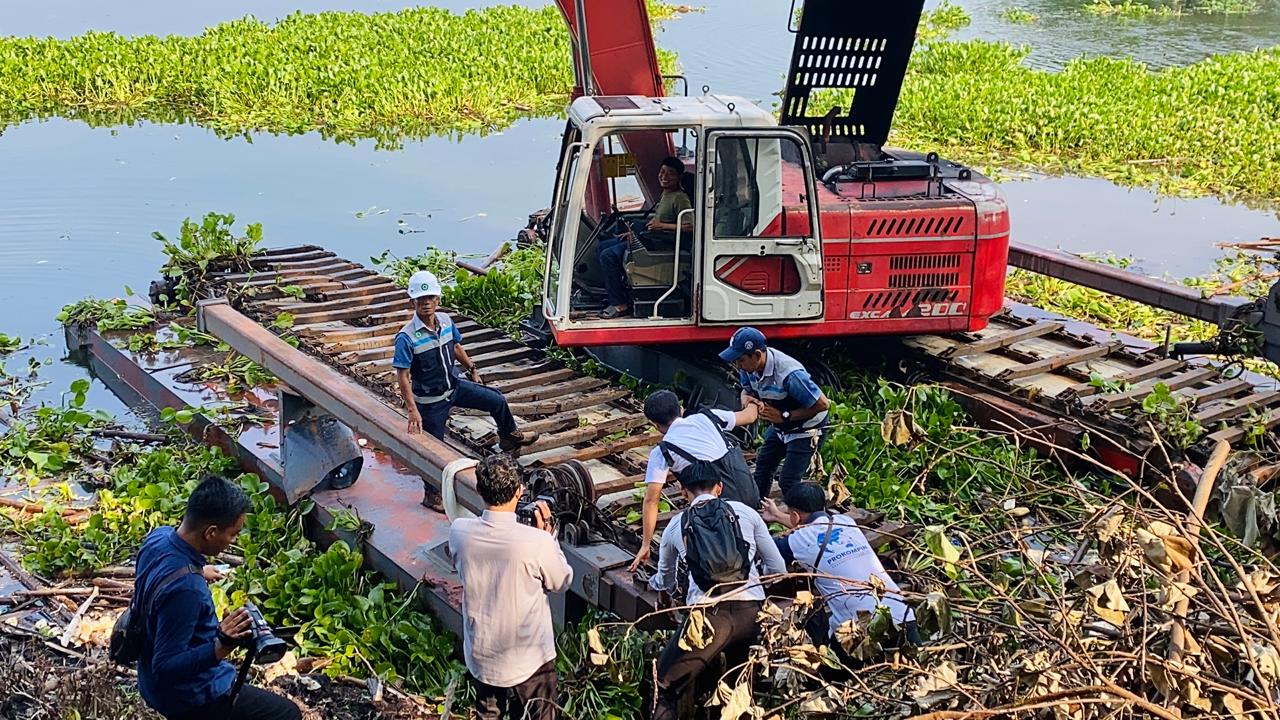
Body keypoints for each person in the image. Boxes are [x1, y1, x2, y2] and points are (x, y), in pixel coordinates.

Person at [135, 475, 300, 720]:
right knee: (287, 714)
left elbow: (162, 573)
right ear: (211, 532)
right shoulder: (187, 591)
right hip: (186, 697)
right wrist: (221, 646)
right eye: (233, 534)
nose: (234, 541)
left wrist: (198, 570)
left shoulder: (158, 538)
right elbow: (165, 668)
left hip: (146, 678)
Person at [647, 471, 787, 720]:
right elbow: (778, 568)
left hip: (708, 618)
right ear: (719, 488)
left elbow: (666, 579)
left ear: (683, 492)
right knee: (739, 693)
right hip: (751, 616)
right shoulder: (747, 513)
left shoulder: (676, 525)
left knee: (666, 687)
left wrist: (663, 595)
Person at [449, 454, 573, 720]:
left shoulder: (459, 532)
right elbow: (561, 581)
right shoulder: (537, 542)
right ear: (519, 491)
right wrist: (550, 537)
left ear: (479, 490)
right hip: (530, 660)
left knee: (488, 714)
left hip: (483, 655)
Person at [762, 484, 918, 656]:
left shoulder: (797, 541)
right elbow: (807, 527)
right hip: (903, 617)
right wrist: (777, 515)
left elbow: (766, 548)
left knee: (829, 671)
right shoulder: (847, 522)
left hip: (859, 631)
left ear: (795, 516)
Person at [393, 270, 538, 452]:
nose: (426, 302)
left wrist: (472, 369)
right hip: (430, 401)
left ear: (438, 299)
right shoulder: (406, 337)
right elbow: (403, 376)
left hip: (455, 387)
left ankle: (509, 437)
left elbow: (455, 347)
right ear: (412, 302)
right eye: (421, 298)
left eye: (430, 297)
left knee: (497, 400)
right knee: (434, 449)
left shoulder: (445, 320)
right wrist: (412, 410)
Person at [629, 390, 761, 572]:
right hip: (751, 495)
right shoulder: (708, 416)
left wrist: (646, 544)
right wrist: (751, 399)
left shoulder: (663, 452)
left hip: (719, 515)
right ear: (681, 409)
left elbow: (652, 501)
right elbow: (750, 416)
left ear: (655, 425)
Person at [719, 327, 830, 500]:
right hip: (780, 427)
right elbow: (746, 390)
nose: (738, 366)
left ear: (757, 355)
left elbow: (823, 404)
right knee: (763, 467)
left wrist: (784, 416)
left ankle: (799, 513)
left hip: (807, 428)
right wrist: (746, 399)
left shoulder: (790, 375)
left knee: (789, 481)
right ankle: (757, 508)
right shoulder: (748, 369)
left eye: (740, 360)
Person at [596, 156, 694, 319]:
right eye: (662, 172)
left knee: (608, 255)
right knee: (602, 246)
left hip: (662, 244)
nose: (664, 176)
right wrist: (633, 234)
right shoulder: (666, 194)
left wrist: (663, 226)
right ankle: (615, 292)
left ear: (679, 177)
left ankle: (619, 304)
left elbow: (690, 226)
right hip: (651, 237)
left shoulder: (680, 198)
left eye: (671, 173)